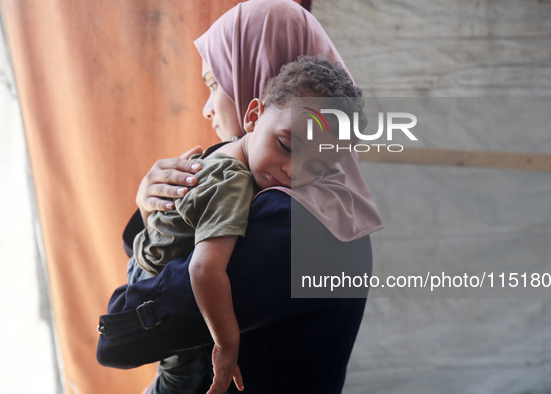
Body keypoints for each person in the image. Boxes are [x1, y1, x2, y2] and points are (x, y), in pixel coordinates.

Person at [98, 1, 384, 393]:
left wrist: (158, 228)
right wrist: (153, 207)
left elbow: (118, 339)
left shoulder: (289, 219)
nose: (206, 108)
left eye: (216, 83)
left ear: (255, 80)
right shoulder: (305, 192)